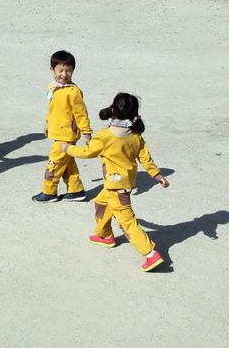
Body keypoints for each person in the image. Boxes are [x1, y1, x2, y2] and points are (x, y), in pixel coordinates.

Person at [62, 93, 170, 272]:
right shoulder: (135, 135)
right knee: (101, 203)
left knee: (127, 222)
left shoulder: (105, 136)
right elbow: (145, 158)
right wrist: (157, 175)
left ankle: (151, 254)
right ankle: (105, 235)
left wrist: (67, 148)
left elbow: (86, 152)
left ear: (113, 109)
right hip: (121, 185)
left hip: (116, 187)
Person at [32, 50, 92, 203]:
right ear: (52, 70)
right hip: (58, 133)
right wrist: (47, 122)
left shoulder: (73, 92)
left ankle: (49, 191)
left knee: (54, 164)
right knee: (67, 163)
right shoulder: (54, 87)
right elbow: (53, 109)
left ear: (73, 71)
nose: (64, 74)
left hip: (66, 136)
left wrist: (87, 133)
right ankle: (76, 190)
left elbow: (81, 114)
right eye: (60, 70)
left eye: (68, 71)